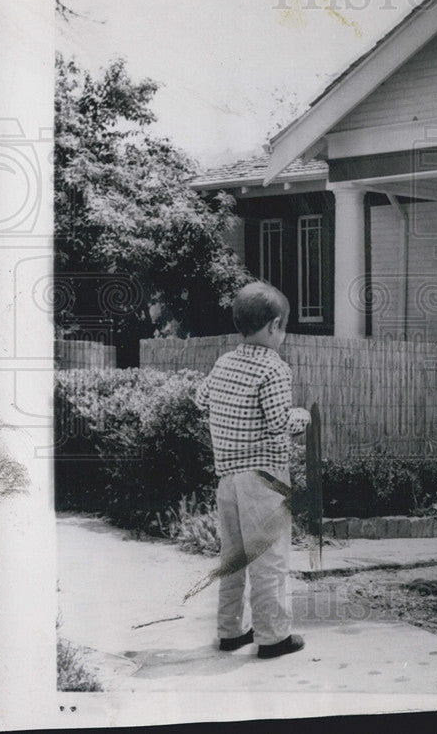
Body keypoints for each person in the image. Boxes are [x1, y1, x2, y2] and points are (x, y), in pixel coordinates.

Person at [194, 281, 310, 658]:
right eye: (285, 327)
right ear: (275, 325)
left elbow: (201, 398)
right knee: (269, 558)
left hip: (227, 478)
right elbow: (278, 421)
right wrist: (302, 416)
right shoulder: (274, 368)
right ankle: (273, 636)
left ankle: (230, 631)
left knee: (232, 559)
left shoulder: (223, 362)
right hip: (264, 478)